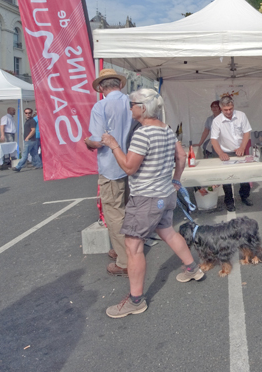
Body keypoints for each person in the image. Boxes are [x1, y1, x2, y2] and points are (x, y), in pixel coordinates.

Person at [100, 88, 203, 318]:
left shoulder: (143, 134)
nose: (130, 108)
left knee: (133, 247)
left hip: (146, 198)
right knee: (167, 231)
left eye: (132, 104)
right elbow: (181, 157)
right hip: (165, 193)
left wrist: (113, 144)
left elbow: (128, 167)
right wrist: (176, 180)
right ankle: (192, 268)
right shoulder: (166, 130)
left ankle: (136, 301)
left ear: (143, 108)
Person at [85, 69, 133, 277]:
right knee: (129, 208)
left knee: (114, 212)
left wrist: (87, 142)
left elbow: (97, 141)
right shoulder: (132, 102)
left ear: (102, 88)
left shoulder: (101, 106)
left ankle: (125, 259)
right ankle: (126, 249)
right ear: (120, 85)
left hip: (111, 165)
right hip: (132, 161)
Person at [210, 96, 253, 211]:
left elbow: (247, 132)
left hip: (241, 151)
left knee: (244, 175)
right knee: (227, 179)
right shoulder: (216, 121)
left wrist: (242, 147)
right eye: (226, 110)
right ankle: (229, 201)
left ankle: (244, 196)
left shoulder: (241, 115)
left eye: (230, 109)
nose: (228, 112)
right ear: (221, 108)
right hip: (226, 152)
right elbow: (213, 139)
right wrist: (220, 153)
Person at [13, 107, 41, 172]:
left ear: (32, 113)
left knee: (25, 154)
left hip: (30, 139)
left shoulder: (32, 120)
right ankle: (38, 164)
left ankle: (18, 167)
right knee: (34, 153)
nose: (27, 114)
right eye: (26, 113)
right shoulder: (30, 120)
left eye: (29, 113)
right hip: (33, 139)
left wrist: (27, 137)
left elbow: (33, 130)